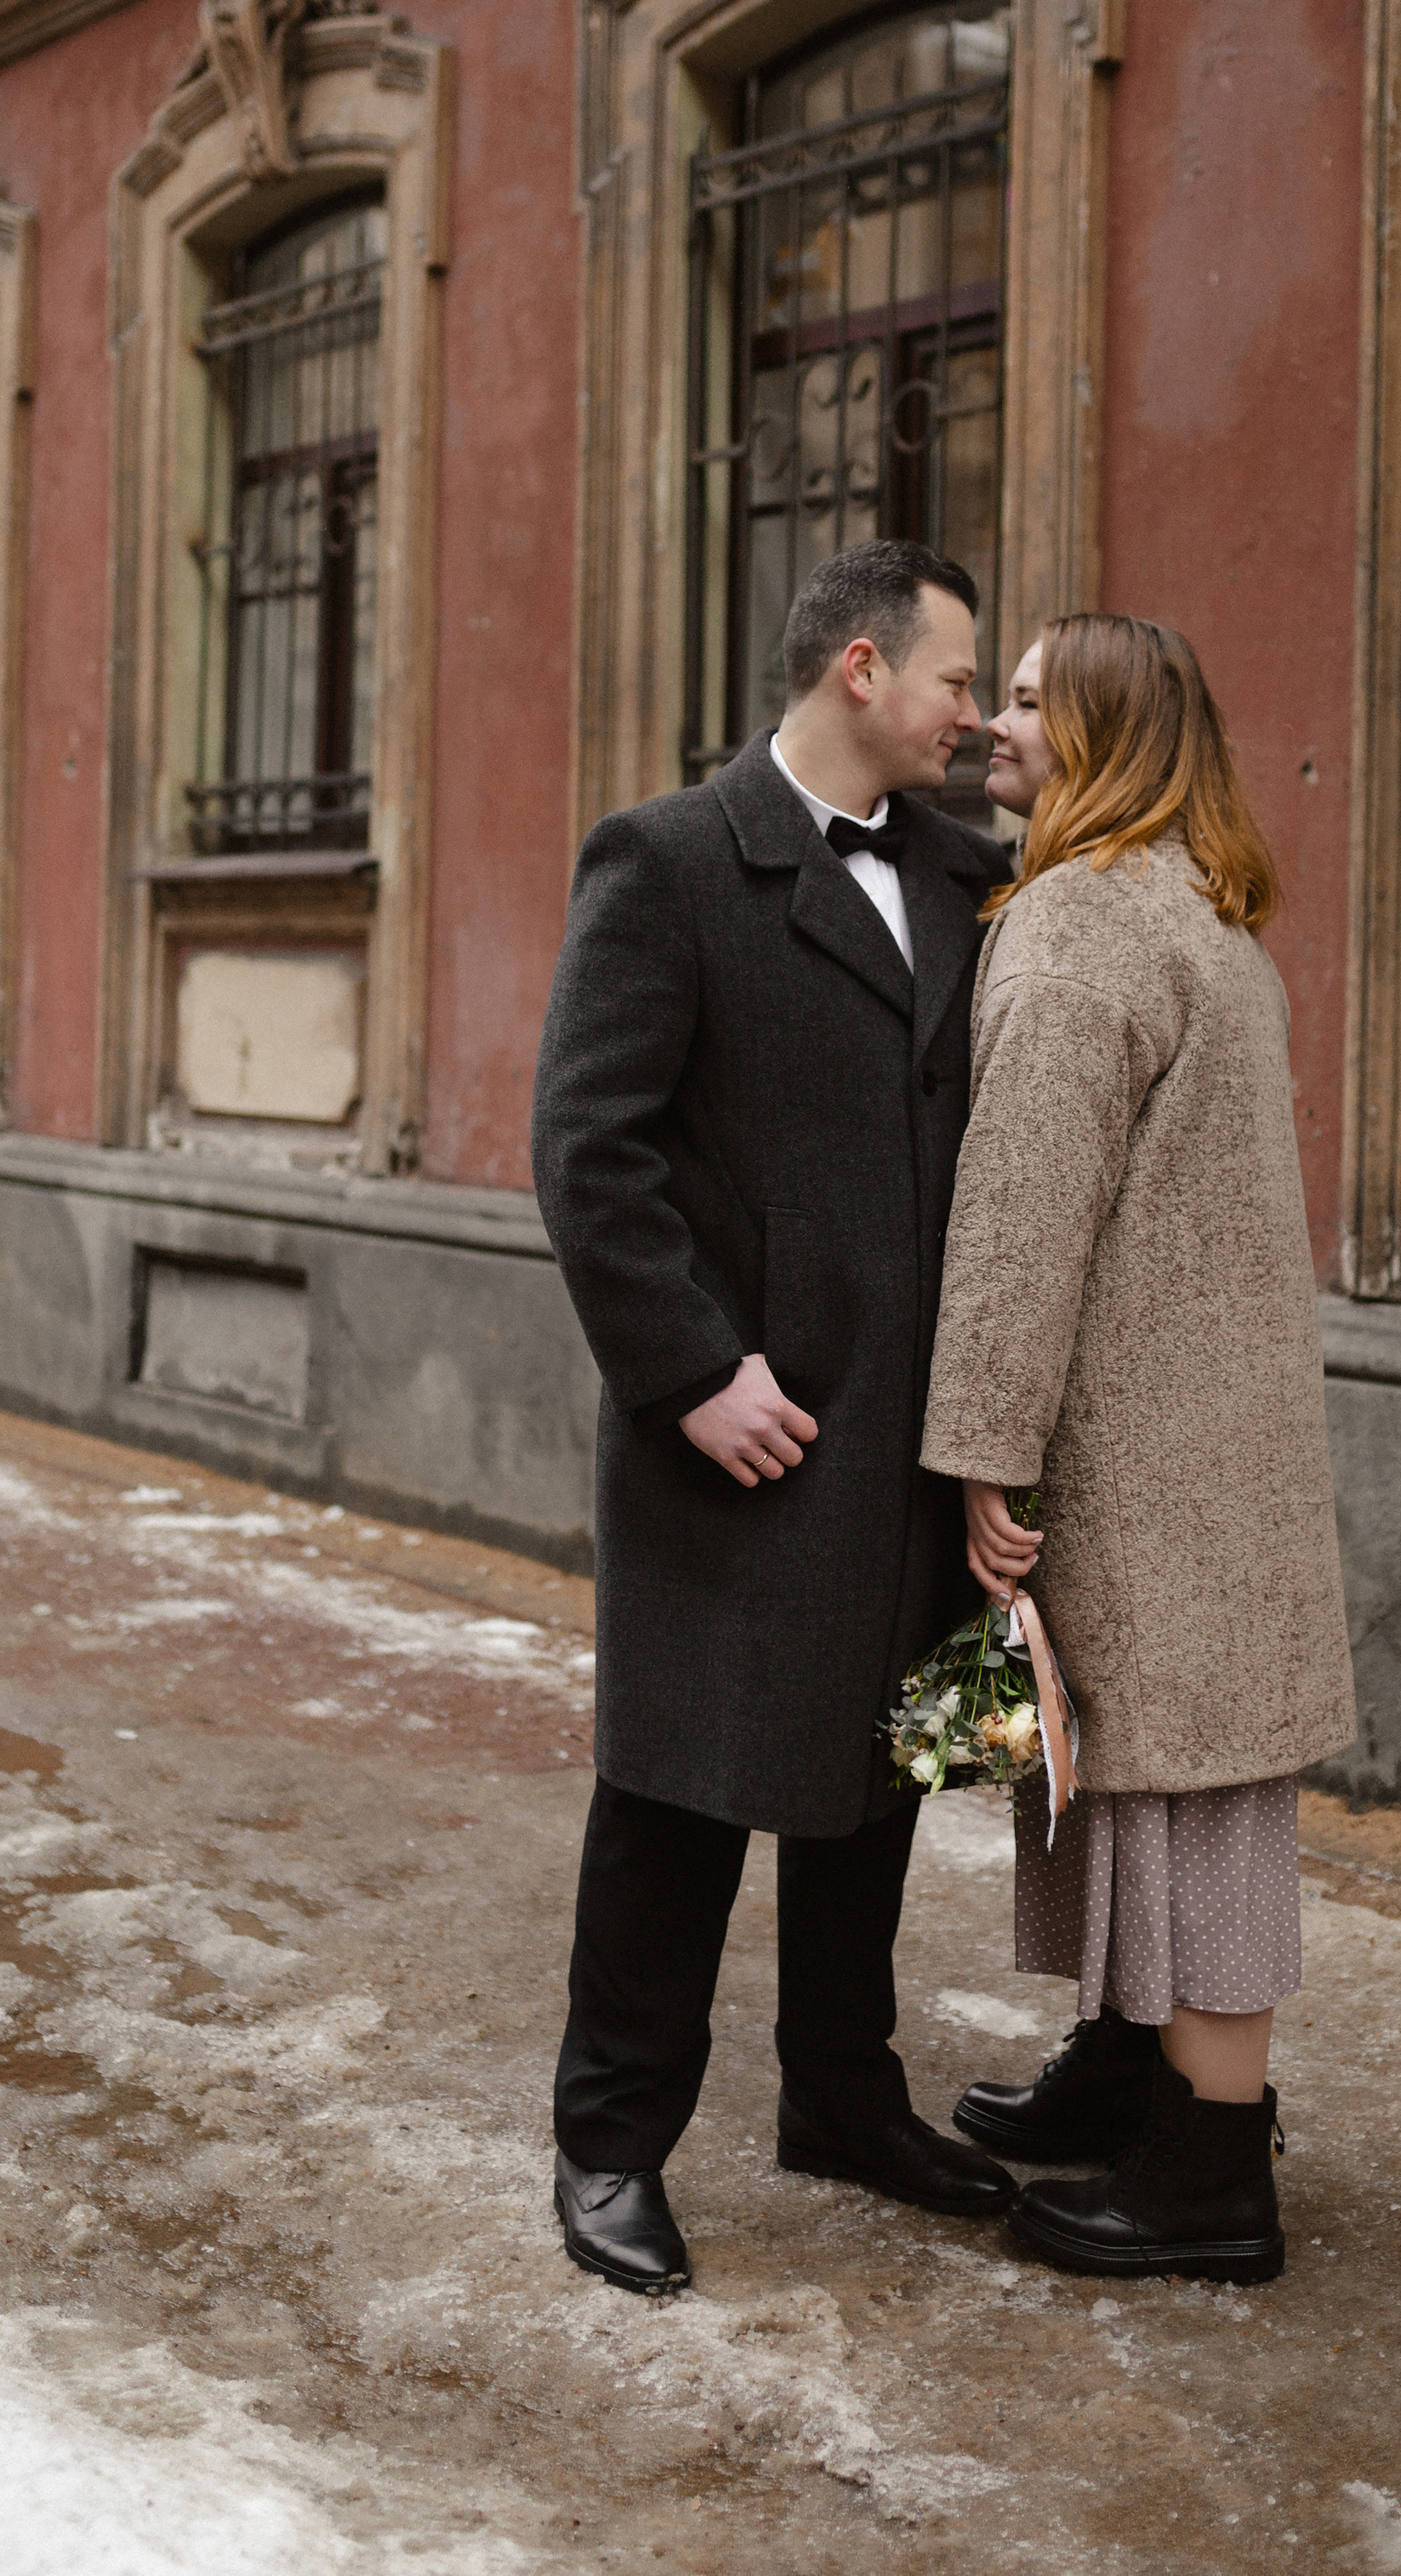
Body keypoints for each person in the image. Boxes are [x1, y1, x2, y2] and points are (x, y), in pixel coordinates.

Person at [531, 539, 1019, 2295]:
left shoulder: (968, 874)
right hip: (744, 1434)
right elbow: (588, 1152)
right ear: (863, 672)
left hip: (909, 1440)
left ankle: (841, 2096)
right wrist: (686, 1372)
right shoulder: (665, 861)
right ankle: (608, 2145)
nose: (975, 716)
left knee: (870, 1786)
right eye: (960, 679)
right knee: (679, 1800)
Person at [920, 612, 1357, 2286]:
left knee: (1183, 1795)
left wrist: (976, 1451)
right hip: (1209, 1444)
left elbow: (1021, 1224)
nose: (994, 728)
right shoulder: (1198, 913)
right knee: (1130, 1780)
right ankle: (1131, 2069)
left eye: (1030, 702)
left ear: (1105, 734)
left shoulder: (1077, 928)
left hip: (1142, 1446)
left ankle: (1207, 2179)